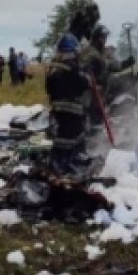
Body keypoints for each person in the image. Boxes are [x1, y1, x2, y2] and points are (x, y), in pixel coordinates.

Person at [46, 33, 89, 173]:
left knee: (60, 137)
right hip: (73, 110)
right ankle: (68, 164)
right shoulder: (73, 66)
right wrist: (87, 79)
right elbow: (80, 85)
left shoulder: (53, 67)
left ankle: (57, 161)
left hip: (57, 109)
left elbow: (48, 88)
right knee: (72, 138)